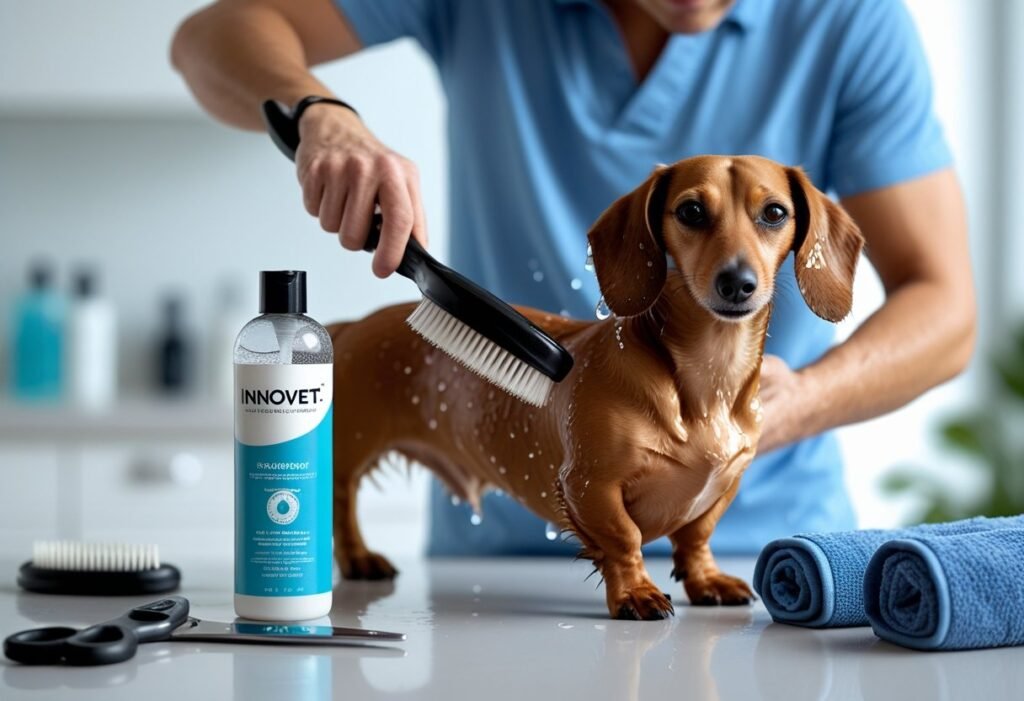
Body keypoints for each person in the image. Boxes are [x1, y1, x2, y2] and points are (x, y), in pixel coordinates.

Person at [172, 0, 976, 556]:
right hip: (504, 555)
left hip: (769, 557)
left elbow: (946, 307)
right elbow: (208, 38)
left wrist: (796, 404)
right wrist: (320, 112)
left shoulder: (851, 21)